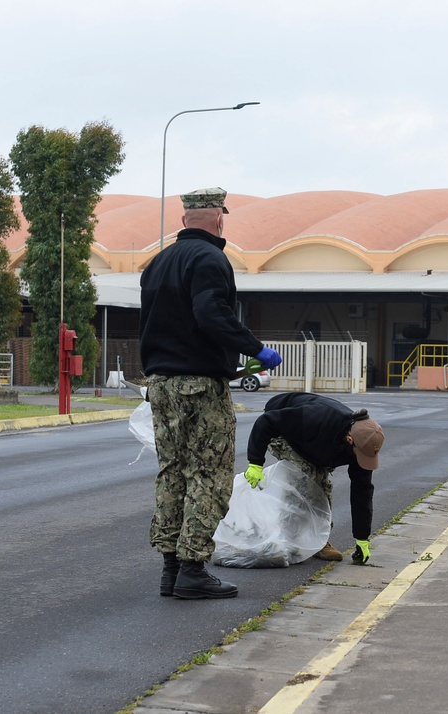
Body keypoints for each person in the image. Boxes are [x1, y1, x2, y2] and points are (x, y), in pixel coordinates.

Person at [140, 187, 283, 600]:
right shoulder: (210, 258)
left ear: (185, 219)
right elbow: (210, 314)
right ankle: (193, 569)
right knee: (209, 473)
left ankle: (171, 569)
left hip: (161, 385)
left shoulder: (157, 263)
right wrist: (255, 349)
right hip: (199, 386)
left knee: (173, 472)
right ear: (219, 218)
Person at [244, 392, 384, 564]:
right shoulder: (316, 418)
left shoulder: (363, 447)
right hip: (286, 432)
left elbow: (362, 491)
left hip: (319, 446)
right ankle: (282, 541)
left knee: (322, 491)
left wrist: (362, 538)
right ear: (350, 439)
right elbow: (267, 421)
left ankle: (319, 541)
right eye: (360, 454)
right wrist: (255, 463)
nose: (361, 458)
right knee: (302, 483)